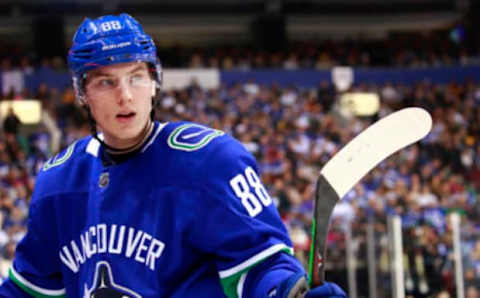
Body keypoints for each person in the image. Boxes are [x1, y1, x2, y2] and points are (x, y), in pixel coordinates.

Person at [0, 14, 346, 297]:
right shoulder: (57, 181)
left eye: (136, 77)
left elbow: (262, 264)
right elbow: (29, 289)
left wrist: (288, 292)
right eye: (106, 82)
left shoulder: (211, 160)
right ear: (82, 93)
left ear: (155, 83)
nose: (125, 96)